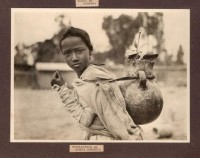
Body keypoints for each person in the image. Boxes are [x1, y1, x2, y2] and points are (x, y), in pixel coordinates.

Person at [51, 27, 143, 140]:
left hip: (104, 140)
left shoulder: (93, 83)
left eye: (79, 51)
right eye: (67, 53)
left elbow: (85, 120)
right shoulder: (87, 77)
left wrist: (62, 90)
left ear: (90, 51)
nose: (74, 58)